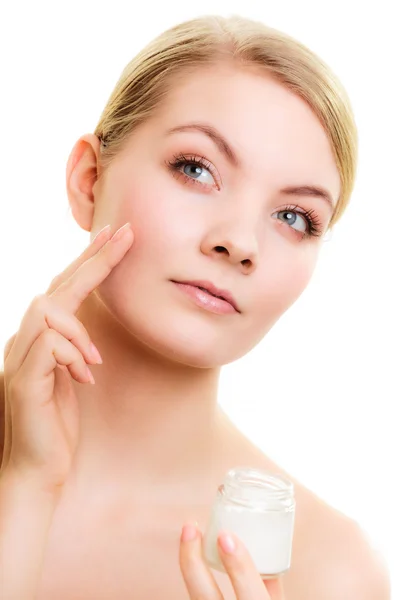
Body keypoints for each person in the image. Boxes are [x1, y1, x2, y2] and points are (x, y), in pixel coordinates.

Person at [0, 13, 391, 600]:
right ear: (89, 179)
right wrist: (24, 488)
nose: (239, 242)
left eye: (294, 217)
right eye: (196, 169)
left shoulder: (326, 571)